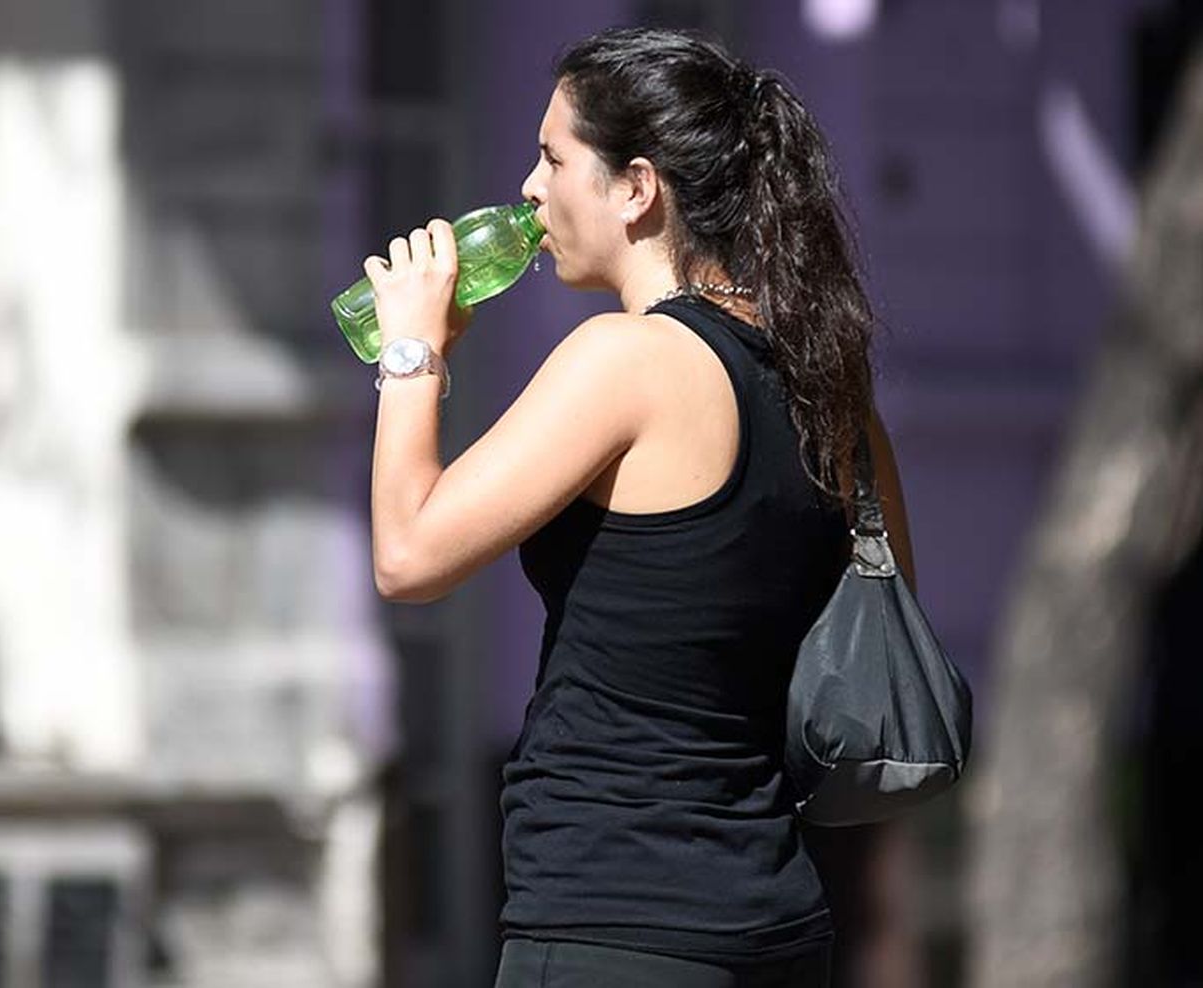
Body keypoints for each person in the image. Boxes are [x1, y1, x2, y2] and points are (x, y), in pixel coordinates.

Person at [362, 26, 917, 988]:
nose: (530, 189)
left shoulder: (625, 361)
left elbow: (408, 556)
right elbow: (887, 599)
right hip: (776, 920)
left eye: (553, 158)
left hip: (613, 918)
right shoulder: (836, 395)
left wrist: (412, 354)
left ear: (636, 189)